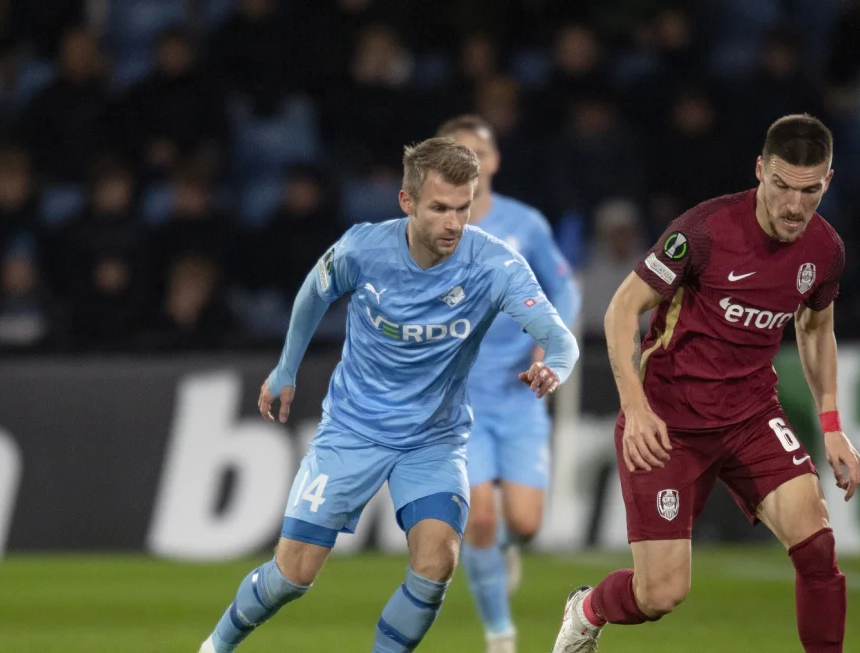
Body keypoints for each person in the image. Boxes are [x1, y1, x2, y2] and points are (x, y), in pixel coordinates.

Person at [197, 138, 580, 653]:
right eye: (439, 208)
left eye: (463, 208)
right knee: (293, 575)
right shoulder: (363, 249)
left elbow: (560, 339)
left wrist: (553, 367)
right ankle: (216, 646)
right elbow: (315, 290)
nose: (453, 223)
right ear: (407, 203)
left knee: (436, 562)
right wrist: (285, 367)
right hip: (353, 430)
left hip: (433, 441)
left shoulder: (494, 265)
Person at [552, 114, 860, 653]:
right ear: (761, 171)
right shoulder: (704, 231)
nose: (794, 205)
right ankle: (587, 609)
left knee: (817, 548)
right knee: (661, 594)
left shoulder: (824, 250)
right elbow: (622, 310)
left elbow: (815, 329)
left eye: (809, 191)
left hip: (751, 416)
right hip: (668, 423)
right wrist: (636, 406)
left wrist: (833, 426)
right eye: (783, 186)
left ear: (827, 182)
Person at [436, 115, 581, 653]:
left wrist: (551, 342)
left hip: (520, 393)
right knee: (479, 516)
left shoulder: (525, 224)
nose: (468, 159)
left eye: (477, 151)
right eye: (456, 151)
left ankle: (507, 547)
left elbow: (564, 290)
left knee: (523, 521)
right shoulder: (429, 225)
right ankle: (501, 635)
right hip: (459, 400)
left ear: (493, 161)